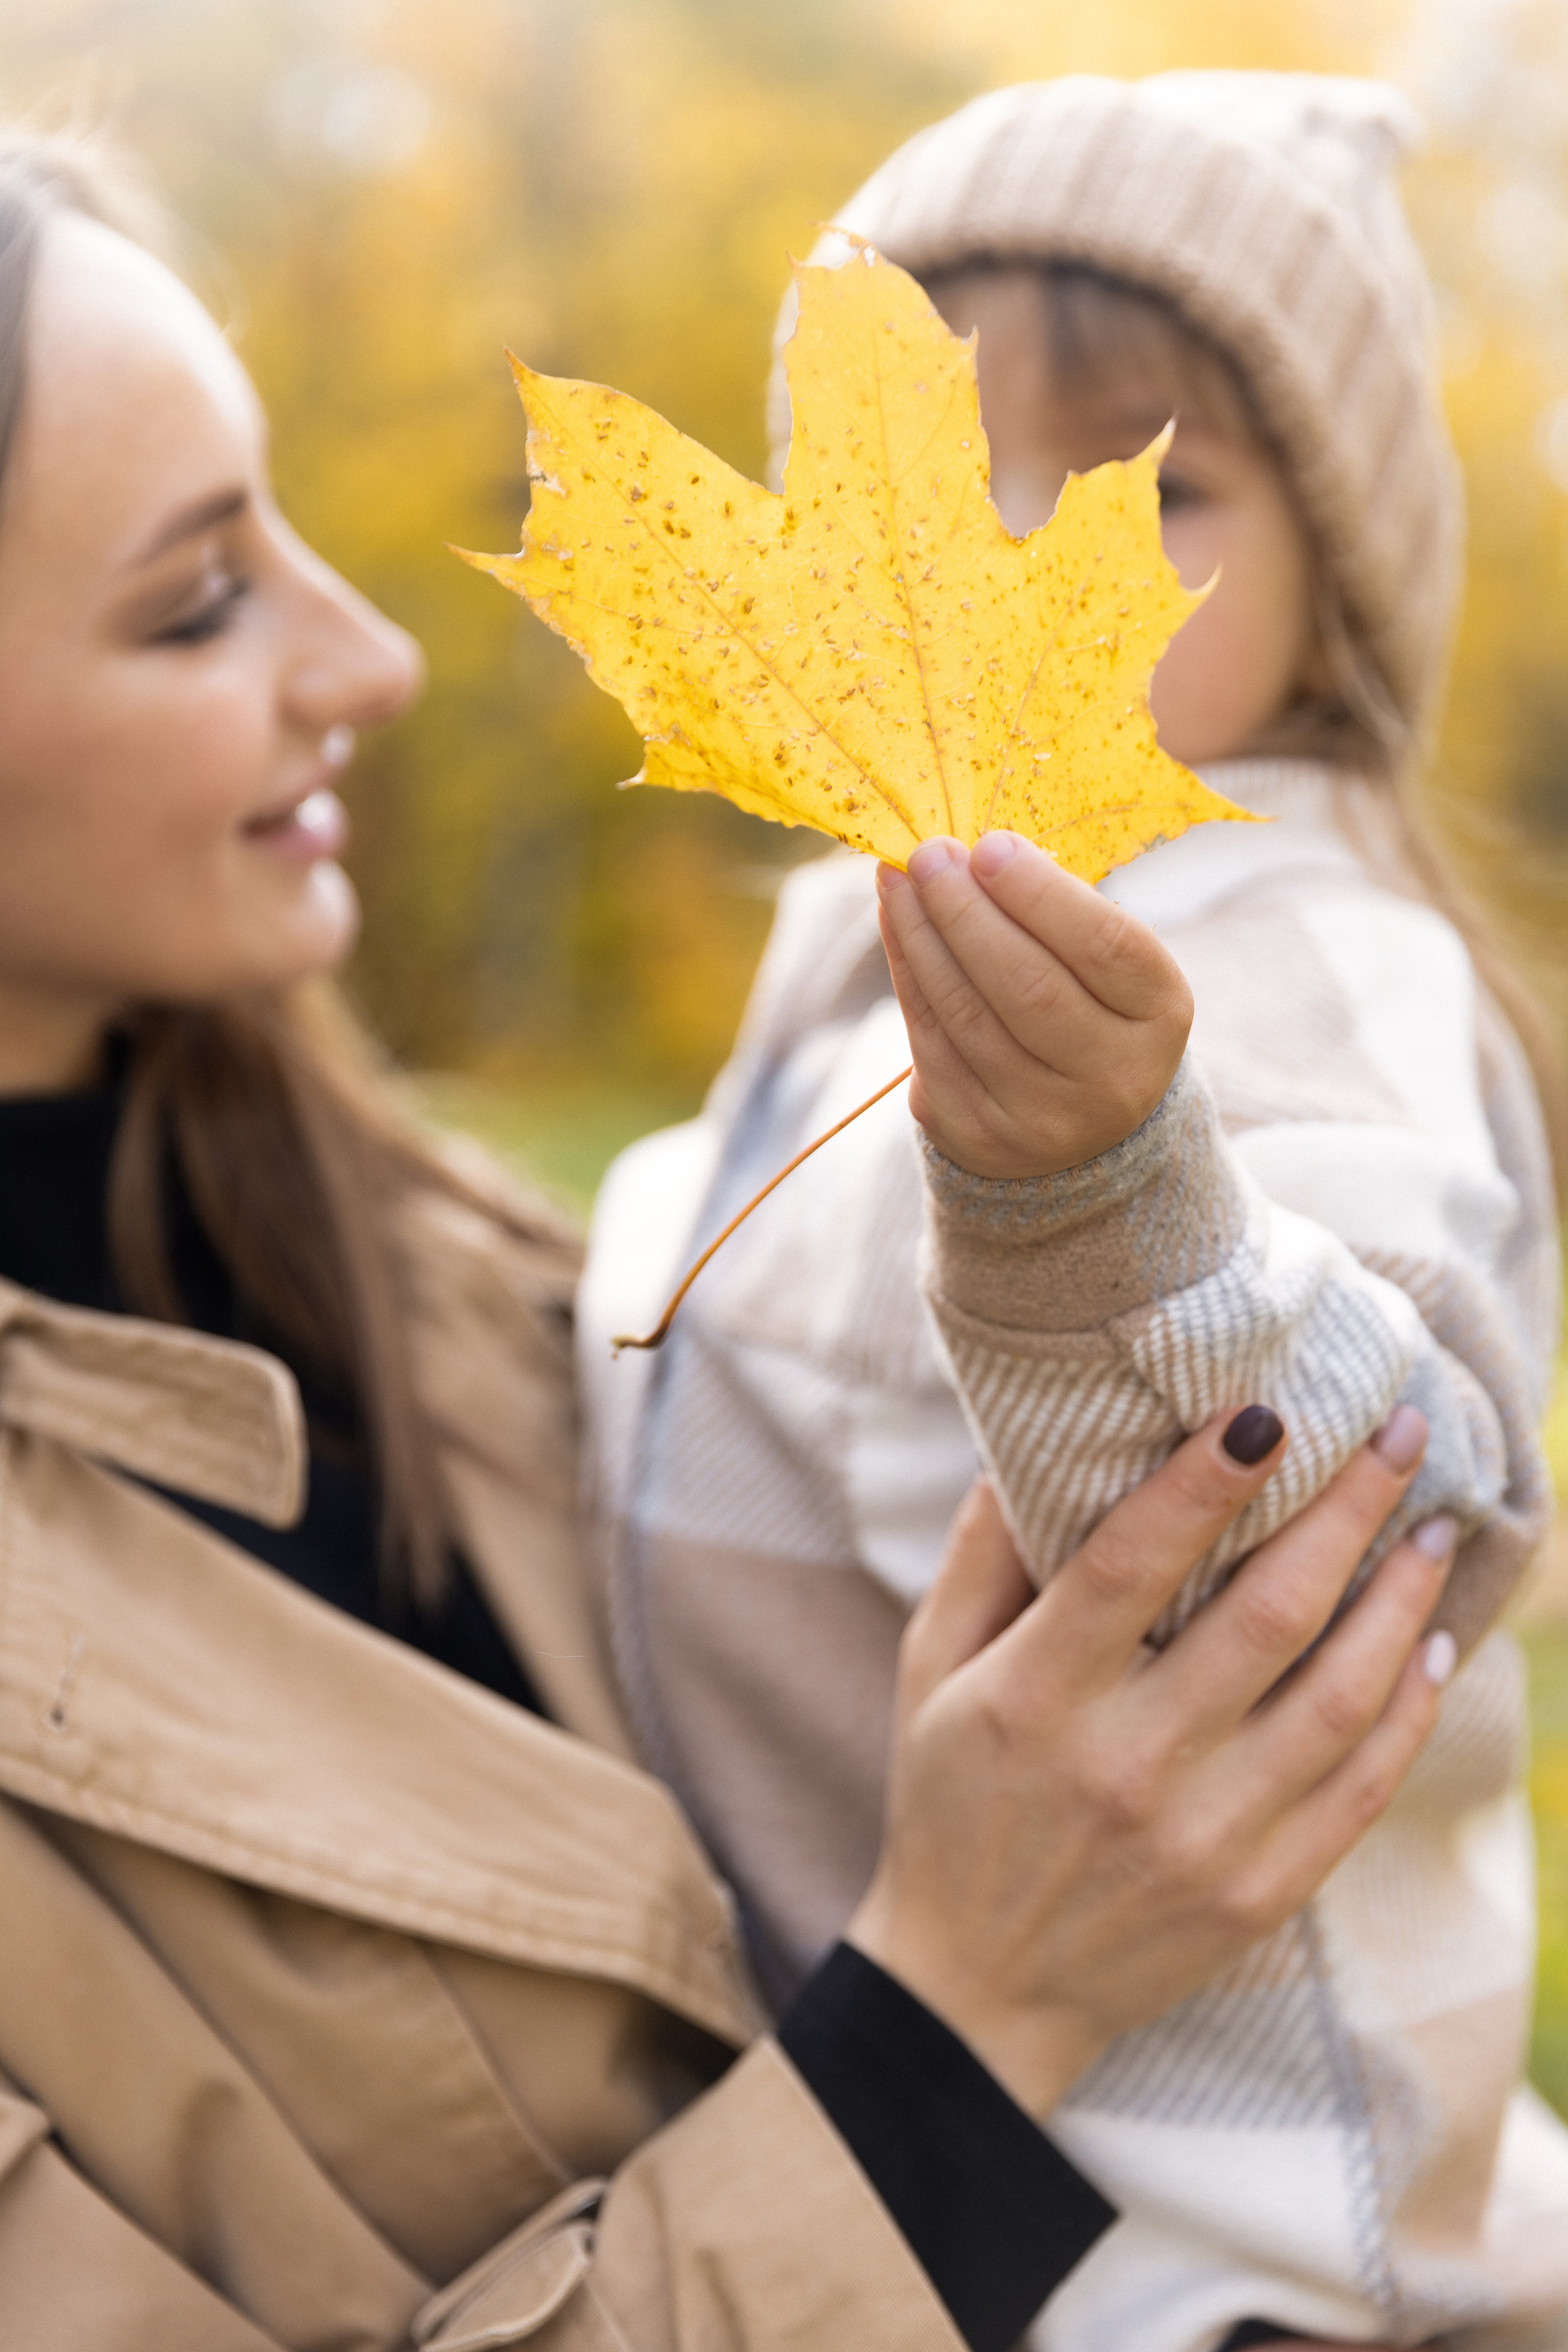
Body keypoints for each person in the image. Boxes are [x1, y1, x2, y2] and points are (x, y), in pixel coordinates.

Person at [0, 126, 1464, 2352]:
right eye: (198, 594)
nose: (378, 653)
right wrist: (956, 2024)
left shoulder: (417, 1241)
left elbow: (1385, 1412)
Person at [578, 74, 1568, 2352]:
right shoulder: (838, 972)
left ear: (1339, 598)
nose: (1027, 559)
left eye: (1163, 484)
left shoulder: (1306, 956)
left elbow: (1371, 1476)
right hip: (926, 2185)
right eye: (949, 478)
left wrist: (1106, 1207)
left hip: (1215, 2262)